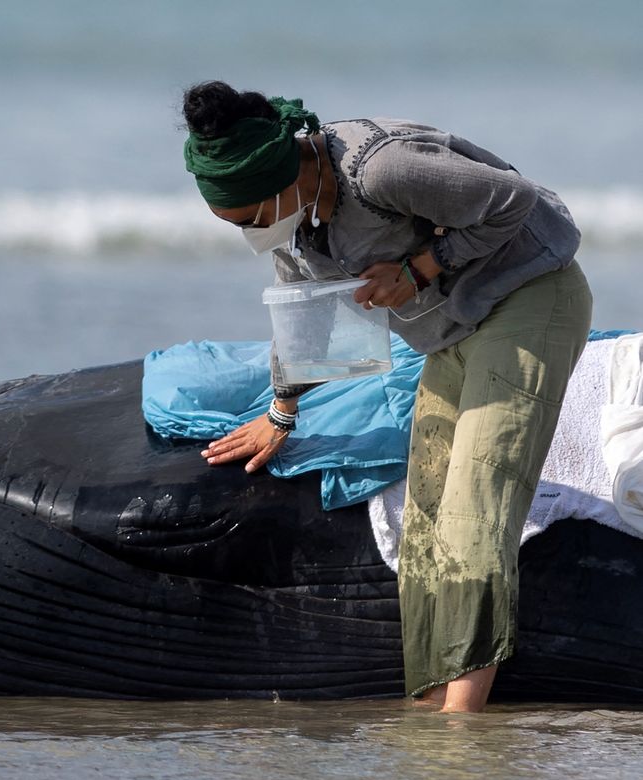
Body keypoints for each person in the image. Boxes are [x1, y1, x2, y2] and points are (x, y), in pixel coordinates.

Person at [180, 81, 591, 713]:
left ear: (285, 178)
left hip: (527, 295)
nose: (255, 235)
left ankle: (463, 722)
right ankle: (428, 704)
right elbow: (308, 326)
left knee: (475, 504)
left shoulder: (382, 169)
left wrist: (422, 267)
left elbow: (519, 202)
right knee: (424, 516)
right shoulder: (299, 225)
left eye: (253, 218)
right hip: (450, 332)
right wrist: (280, 414)